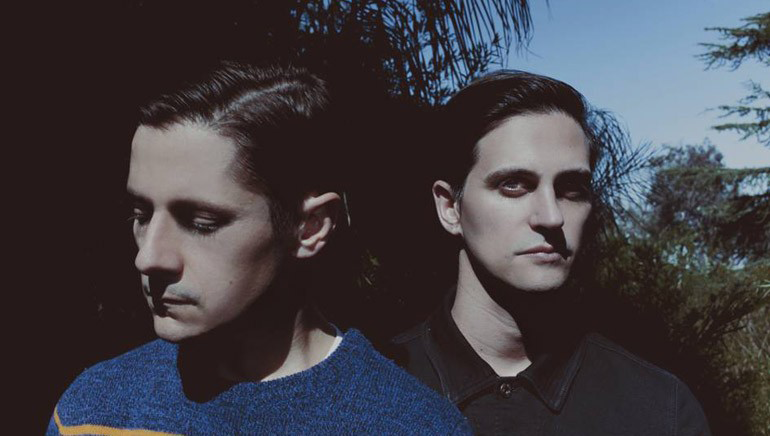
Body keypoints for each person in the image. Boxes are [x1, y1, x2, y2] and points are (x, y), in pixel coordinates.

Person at [48, 62, 470, 435]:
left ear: (310, 228)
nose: (148, 257)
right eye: (141, 215)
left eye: (201, 223)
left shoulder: (414, 426)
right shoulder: (94, 410)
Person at [391, 71, 711, 435]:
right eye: (513, 185)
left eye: (571, 189)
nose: (551, 216)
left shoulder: (661, 411)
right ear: (450, 207)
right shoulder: (371, 387)